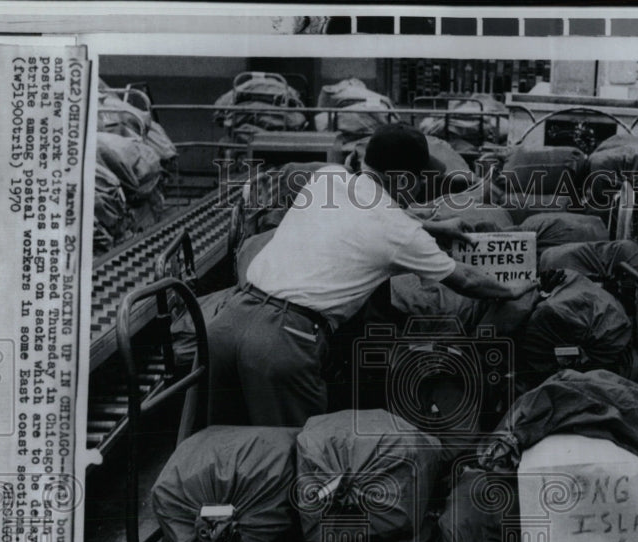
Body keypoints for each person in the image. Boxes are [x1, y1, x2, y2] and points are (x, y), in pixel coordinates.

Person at [207, 123, 537, 427]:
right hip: (283, 342)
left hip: (226, 323)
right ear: (403, 178)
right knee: (295, 454)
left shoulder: (328, 176)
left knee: (227, 449)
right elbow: (464, 279)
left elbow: (361, 213)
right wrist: (510, 290)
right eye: (418, 177)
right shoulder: (399, 233)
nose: (421, 185)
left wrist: (431, 225)